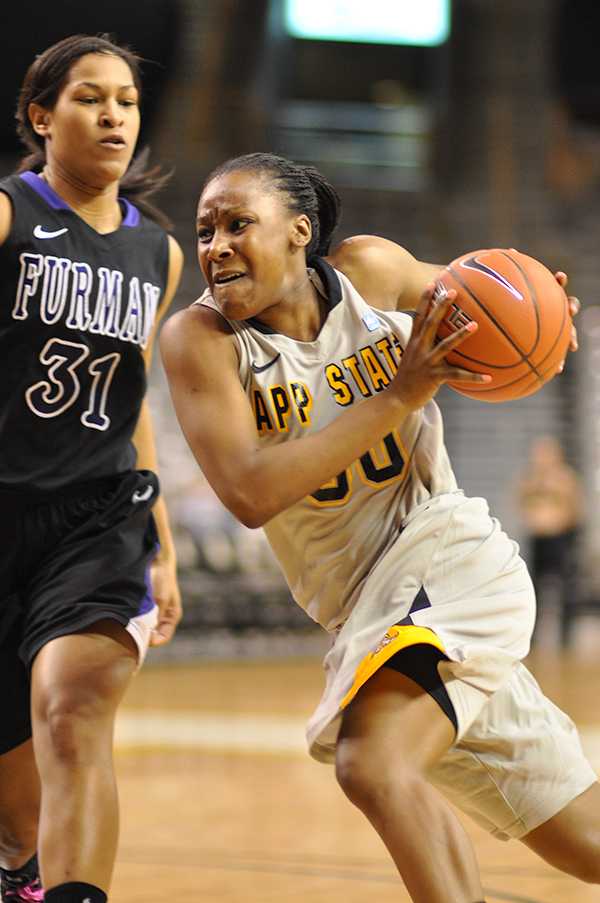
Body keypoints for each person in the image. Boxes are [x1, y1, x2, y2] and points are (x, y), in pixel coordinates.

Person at [160, 151, 600, 903]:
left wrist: (541, 310)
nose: (216, 245)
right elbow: (250, 492)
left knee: (371, 762)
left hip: (447, 561)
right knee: (586, 843)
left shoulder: (370, 273)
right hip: (365, 607)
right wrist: (401, 394)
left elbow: (485, 300)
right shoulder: (201, 341)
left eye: (239, 224)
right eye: (205, 231)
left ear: (301, 232)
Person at [0, 34, 183, 903]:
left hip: (98, 518)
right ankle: (20, 870)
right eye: (89, 97)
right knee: (16, 811)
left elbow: (135, 400)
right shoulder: (7, 214)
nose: (114, 114)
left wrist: (166, 545)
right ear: (41, 116)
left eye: (127, 100)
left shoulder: (160, 254)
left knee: (72, 715)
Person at [516, 435, 584, 646]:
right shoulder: (529, 478)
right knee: (533, 589)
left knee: (563, 589)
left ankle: (565, 638)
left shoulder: (566, 478)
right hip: (538, 539)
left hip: (559, 539)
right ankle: (532, 638)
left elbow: (576, 508)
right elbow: (519, 501)